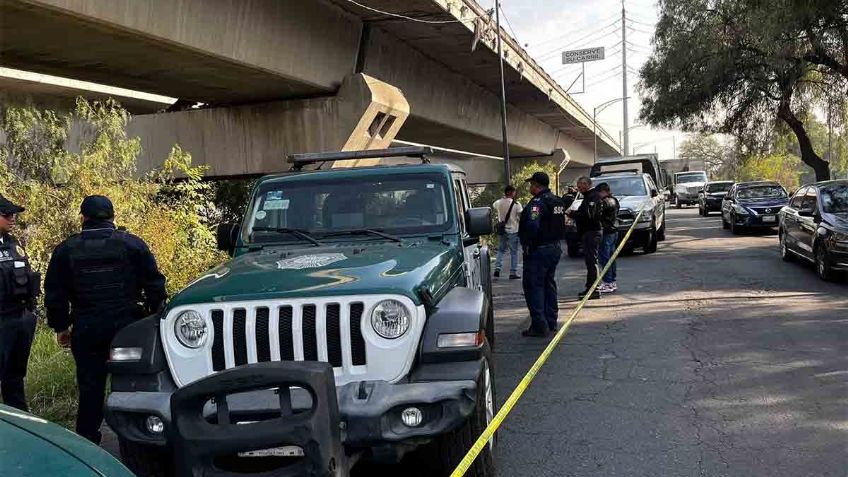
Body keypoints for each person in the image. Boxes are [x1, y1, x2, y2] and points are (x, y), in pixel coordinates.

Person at [45, 195, 166, 443]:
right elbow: (155, 285)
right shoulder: (132, 245)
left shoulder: (66, 249)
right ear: (112, 216)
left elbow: (55, 294)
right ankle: (138, 436)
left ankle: (88, 442)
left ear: (83, 218)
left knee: (90, 388)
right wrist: (153, 319)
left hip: (87, 328)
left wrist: (61, 326)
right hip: (127, 329)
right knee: (133, 383)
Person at [0, 195, 40, 411]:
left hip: (20, 317)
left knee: (14, 376)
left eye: (13, 214)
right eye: (6, 215)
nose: (12, 219)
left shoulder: (13, 243)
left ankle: (19, 418)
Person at [518, 172, 566, 337]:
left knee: (534, 286)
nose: (530, 187)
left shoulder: (537, 203)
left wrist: (528, 244)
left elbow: (532, 225)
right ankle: (551, 321)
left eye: (531, 184)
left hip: (539, 249)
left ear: (537, 185)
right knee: (548, 284)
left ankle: (539, 325)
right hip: (554, 248)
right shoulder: (557, 201)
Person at [568, 176, 603, 300]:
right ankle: (591, 287)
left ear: (589, 184)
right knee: (590, 262)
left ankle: (594, 289)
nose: (580, 186)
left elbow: (589, 215)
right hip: (588, 233)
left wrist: (573, 214)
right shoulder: (588, 196)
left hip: (592, 233)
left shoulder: (593, 196)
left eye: (583, 184)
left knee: (592, 262)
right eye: (578, 184)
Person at [492, 185, 523, 279]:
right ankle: (513, 272)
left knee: (501, 250)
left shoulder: (498, 202)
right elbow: (521, 215)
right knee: (514, 252)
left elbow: (494, 205)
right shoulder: (517, 204)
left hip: (503, 230)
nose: (515, 194)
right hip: (513, 230)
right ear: (510, 192)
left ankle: (497, 268)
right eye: (514, 192)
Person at [597, 183, 620, 293]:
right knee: (611, 257)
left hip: (606, 232)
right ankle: (612, 281)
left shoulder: (604, 202)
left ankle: (607, 282)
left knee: (604, 258)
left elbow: (599, 215)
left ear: (603, 191)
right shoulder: (614, 200)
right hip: (614, 230)